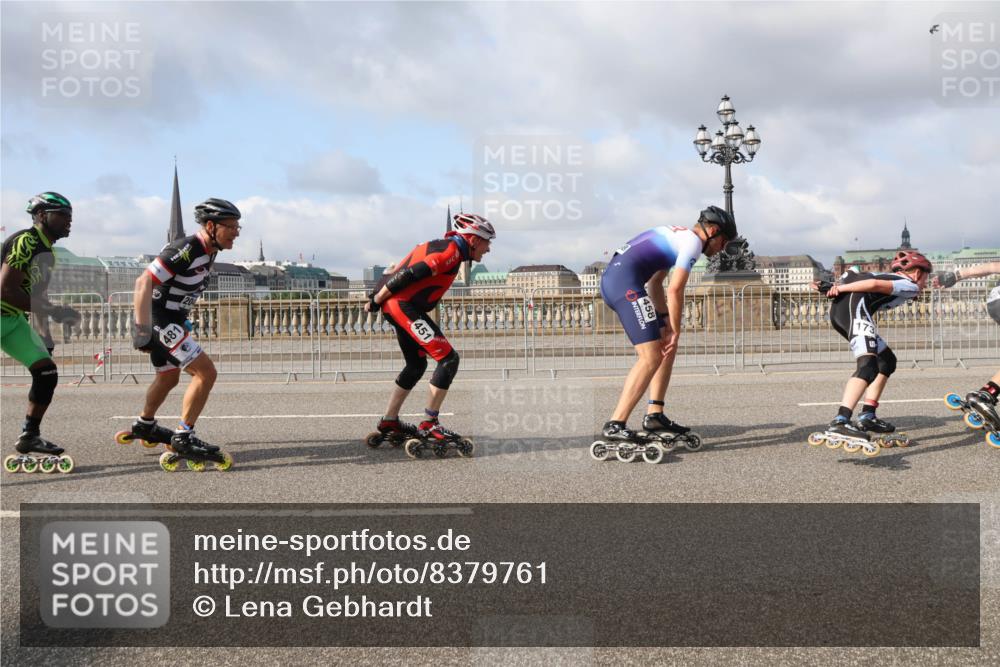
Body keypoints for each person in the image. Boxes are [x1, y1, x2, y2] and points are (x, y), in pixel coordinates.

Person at [599, 205, 737, 445]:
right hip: (624, 286)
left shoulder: (678, 237)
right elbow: (675, 289)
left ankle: (655, 415)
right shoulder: (693, 242)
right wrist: (675, 328)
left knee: (664, 349)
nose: (723, 248)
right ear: (713, 230)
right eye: (723, 241)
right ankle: (615, 424)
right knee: (650, 356)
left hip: (621, 281)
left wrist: (664, 321)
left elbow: (656, 283)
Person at [127, 198, 241, 469]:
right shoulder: (187, 248)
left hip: (171, 319)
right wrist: (142, 330)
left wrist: (182, 319)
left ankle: (145, 424)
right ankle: (184, 436)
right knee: (206, 373)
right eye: (232, 227)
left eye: (238, 227)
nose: (236, 232)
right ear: (211, 226)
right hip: (159, 319)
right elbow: (143, 281)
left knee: (168, 377)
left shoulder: (210, 251)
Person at [364, 213, 495, 449]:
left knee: (416, 365)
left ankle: (389, 421)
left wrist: (378, 295)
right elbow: (408, 274)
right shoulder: (450, 253)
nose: (488, 249)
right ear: (474, 240)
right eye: (487, 242)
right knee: (448, 359)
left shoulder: (442, 246)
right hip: (404, 307)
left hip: (400, 306)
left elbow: (396, 268)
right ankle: (430, 422)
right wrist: (377, 299)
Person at [810, 250, 933, 443]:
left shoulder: (889, 278)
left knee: (886, 361)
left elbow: (854, 270)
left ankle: (868, 416)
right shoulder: (910, 285)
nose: (925, 282)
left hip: (841, 311)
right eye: (926, 277)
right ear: (917, 273)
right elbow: (875, 284)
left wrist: (835, 286)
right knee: (868, 366)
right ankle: (840, 421)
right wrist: (838, 288)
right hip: (855, 311)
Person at [1, 192, 79, 473]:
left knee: (46, 372)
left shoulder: (49, 251)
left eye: (70, 215)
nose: (69, 220)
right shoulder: (27, 241)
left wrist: (45, 338)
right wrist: (56, 311)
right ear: (42, 215)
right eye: (62, 214)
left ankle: (29, 435)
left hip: (11, 321)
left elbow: (37, 298)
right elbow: (6, 290)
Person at [933, 261, 1000, 438]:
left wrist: (955, 276)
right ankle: (984, 397)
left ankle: (986, 394)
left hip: (995, 302)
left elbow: (991, 267)